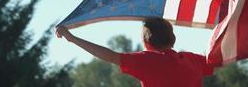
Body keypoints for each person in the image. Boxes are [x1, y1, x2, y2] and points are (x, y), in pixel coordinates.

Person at [55, 17, 214, 87]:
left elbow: (108, 55)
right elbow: (221, 59)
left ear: (146, 42)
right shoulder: (192, 60)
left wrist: (73, 38)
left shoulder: (148, 61)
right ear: (173, 39)